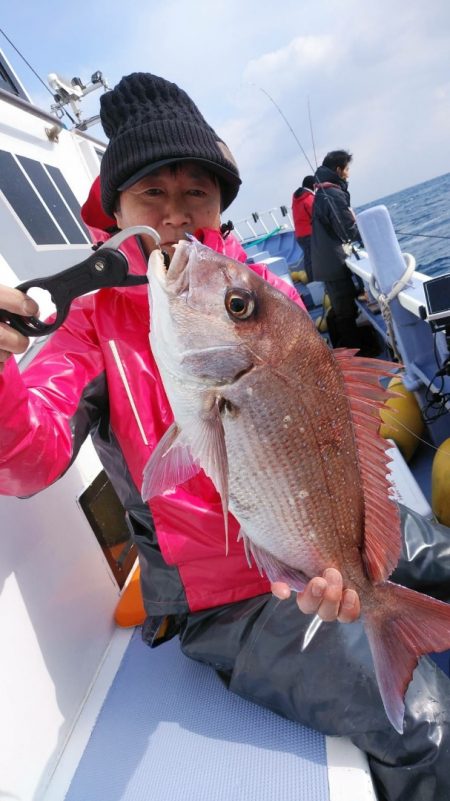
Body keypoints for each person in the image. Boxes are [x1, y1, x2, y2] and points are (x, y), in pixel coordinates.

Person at [0, 73, 450, 801]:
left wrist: (349, 542)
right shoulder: (87, 325)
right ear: (115, 208)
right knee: (429, 724)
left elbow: (329, 420)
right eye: (153, 193)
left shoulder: (252, 291)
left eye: (198, 194)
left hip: (328, 525)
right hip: (225, 602)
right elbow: (29, 461)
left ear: (218, 204)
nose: (177, 215)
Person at [311, 150, 367, 350]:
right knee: (346, 313)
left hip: (327, 261)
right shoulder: (332, 194)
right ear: (338, 170)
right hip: (333, 263)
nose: (348, 173)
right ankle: (355, 355)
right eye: (347, 169)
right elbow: (346, 229)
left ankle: (343, 349)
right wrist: (367, 238)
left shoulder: (322, 192)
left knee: (341, 309)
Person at [291, 174, 315, 282]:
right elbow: (316, 215)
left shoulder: (296, 198)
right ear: (313, 185)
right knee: (311, 259)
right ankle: (313, 281)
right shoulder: (308, 198)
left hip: (299, 235)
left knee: (308, 257)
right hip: (309, 234)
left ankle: (312, 278)